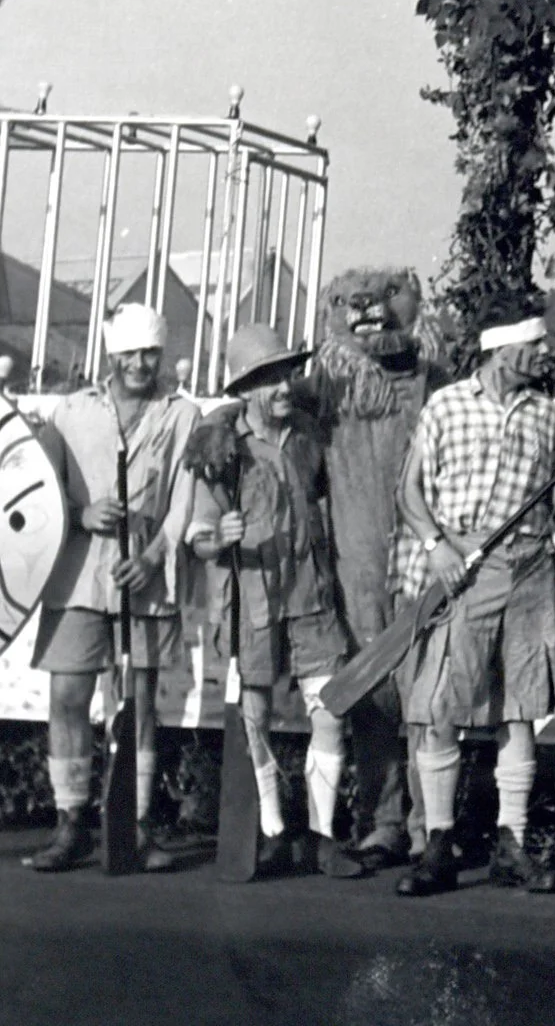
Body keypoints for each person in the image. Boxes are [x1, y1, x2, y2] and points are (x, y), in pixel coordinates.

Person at [387, 311, 555, 897]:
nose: (546, 350)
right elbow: (408, 489)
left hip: (528, 572)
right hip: (462, 575)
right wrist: (436, 545)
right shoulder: (446, 406)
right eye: (536, 341)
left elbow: (550, 502)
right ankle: (439, 844)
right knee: (442, 706)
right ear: (503, 348)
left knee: (518, 709)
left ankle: (510, 844)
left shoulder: (547, 415)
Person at [22, 303, 202, 874]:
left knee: (139, 707)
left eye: (150, 352)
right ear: (111, 354)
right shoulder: (70, 413)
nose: (140, 364)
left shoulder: (183, 416)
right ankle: (71, 825)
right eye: (129, 353)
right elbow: (35, 490)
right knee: (68, 699)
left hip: (145, 582)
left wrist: (153, 558)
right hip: (77, 577)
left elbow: (185, 499)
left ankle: (135, 827)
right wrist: (80, 514)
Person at [185, 324, 360, 879]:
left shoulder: (312, 437)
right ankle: (271, 833)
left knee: (330, 710)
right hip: (250, 601)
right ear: (247, 388)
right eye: (271, 378)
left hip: (310, 598)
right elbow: (197, 533)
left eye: (288, 374)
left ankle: (323, 837)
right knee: (254, 716)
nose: (285, 385)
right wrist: (221, 538)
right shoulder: (220, 447)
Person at [308, 266, 453, 870]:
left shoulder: (434, 379)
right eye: (349, 302)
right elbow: (272, 432)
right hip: (357, 557)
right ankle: (382, 819)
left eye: (386, 297)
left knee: (429, 691)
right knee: (372, 690)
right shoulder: (327, 388)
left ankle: (430, 826)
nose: (368, 310)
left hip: (425, 553)